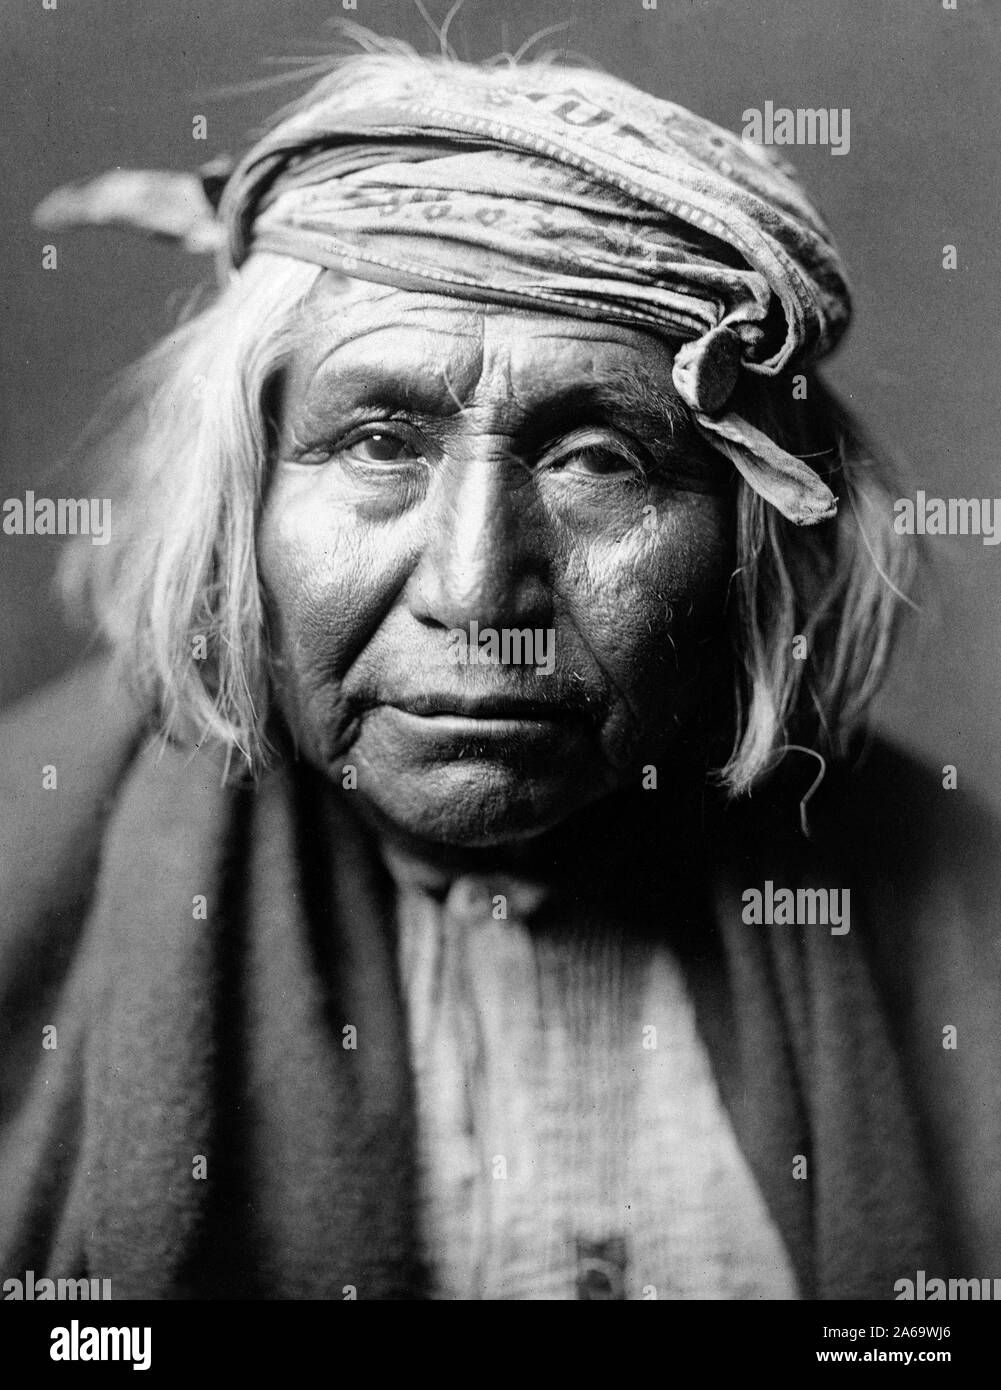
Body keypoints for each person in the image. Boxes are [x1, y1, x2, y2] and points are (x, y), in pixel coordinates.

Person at [2, 45, 999, 1302]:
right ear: (237, 504)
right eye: (375, 442)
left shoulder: (964, 923)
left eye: (596, 458)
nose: (475, 592)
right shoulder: (19, 864)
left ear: (758, 539)